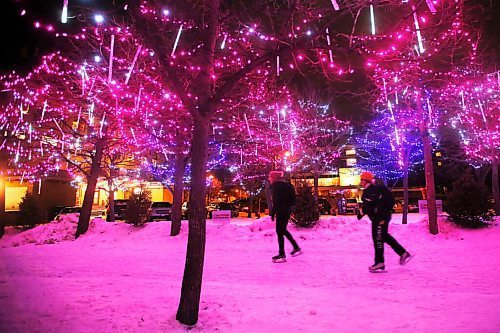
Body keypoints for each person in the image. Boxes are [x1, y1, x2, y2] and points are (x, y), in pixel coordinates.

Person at [357, 171, 411, 272]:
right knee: (383, 236)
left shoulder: (372, 190)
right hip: (379, 218)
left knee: (378, 238)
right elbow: (370, 206)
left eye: (362, 180)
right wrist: (361, 213)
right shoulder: (370, 190)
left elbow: (373, 204)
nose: (361, 182)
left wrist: (381, 216)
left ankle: (380, 262)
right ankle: (403, 253)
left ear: (366, 180)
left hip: (380, 219)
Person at [269, 171, 301, 262]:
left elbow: (276, 201)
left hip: (281, 211)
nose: (269, 179)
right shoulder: (288, 185)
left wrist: (273, 213)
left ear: (274, 178)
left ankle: (282, 254)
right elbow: (293, 199)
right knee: (283, 230)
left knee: (280, 232)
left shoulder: (276, 187)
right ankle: (296, 247)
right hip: (287, 210)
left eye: (270, 177)